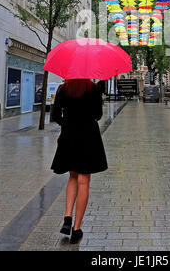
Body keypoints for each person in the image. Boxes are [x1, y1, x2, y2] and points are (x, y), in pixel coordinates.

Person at [50, 79, 108, 244]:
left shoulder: (63, 89)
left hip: (69, 136)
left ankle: (67, 217)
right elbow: (98, 115)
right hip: (88, 136)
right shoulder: (93, 89)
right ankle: (76, 229)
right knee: (84, 180)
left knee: (72, 176)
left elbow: (55, 115)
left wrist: (67, 124)